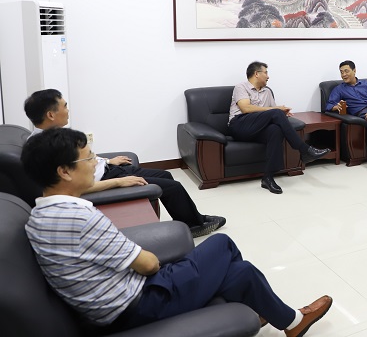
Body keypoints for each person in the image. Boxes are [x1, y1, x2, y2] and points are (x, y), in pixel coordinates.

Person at [22, 127, 332, 335]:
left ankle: (287, 319)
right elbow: (148, 265)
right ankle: (284, 317)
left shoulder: (40, 214)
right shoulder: (79, 217)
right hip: (137, 304)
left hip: (116, 300)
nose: (94, 164)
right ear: (64, 171)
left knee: (242, 271)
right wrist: (151, 260)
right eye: (88, 158)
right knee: (222, 244)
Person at [23, 89, 225, 238]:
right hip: (107, 179)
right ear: (51, 114)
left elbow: (82, 159)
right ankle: (193, 225)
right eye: (65, 106)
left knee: (166, 175)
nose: (68, 110)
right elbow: (69, 187)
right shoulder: (45, 147)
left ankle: (193, 219)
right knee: (173, 186)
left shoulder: (52, 137)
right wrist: (119, 182)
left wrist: (106, 160)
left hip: (108, 169)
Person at [228, 61, 330, 194]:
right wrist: (276, 111)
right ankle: (304, 149)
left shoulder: (267, 92)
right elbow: (245, 108)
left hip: (256, 129)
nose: (268, 76)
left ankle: (268, 178)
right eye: (266, 73)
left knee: (275, 130)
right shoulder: (241, 87)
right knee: (276, 112)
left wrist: (283, 114)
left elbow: (272, 114)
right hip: (239, 125)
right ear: (256, 74)